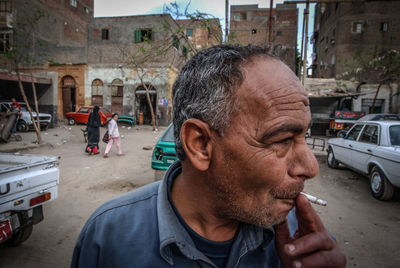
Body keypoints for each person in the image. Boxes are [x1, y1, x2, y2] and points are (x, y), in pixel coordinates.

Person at [72, 45, 346, 267]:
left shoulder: (302, 240)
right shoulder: (108, 238)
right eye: (283, 140)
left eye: (304, 138)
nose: (310, 167)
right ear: (200, 144)